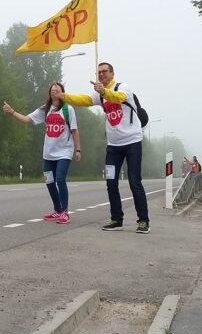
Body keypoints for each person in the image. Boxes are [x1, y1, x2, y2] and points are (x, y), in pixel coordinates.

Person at [54, 62, 150, 234]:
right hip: (113, 146)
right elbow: (83, 100)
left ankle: (143, 221)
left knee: (134, 182)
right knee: (111, 183)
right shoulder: (99, 95)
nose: (102, 74)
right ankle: (116, 219)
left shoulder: (123, 87)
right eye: (99, 72)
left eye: (105, 71)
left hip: (132, 142)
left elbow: (119, 97)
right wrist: (64, 96)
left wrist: (104, 92)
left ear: (112, 73)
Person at [3, 82, 80, 224]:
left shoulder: (68, 109)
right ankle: (57, 210)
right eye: (52, 90)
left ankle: (65, 212)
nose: (54, 92)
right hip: (48, 153)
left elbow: (74, 130)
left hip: (64, 151)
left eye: (57, 90)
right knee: (49, 181)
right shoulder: (45, 110)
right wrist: (12, 112)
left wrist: (78, 149)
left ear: (62, 93)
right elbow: (26, 119)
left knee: (60, 179)